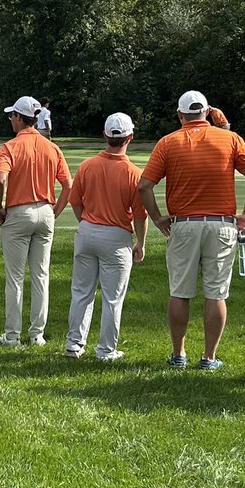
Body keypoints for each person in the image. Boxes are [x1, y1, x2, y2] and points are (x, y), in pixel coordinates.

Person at [140, 90, 245, 371]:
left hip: (183, 225)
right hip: (221, 224)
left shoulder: (168, 142)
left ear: (180, 115)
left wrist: (158, 218)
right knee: (216, 293)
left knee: (180, 291)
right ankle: (209, 357)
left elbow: (144, 186)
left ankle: (178, 354)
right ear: (207, 112)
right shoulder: (230, 139)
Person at [65, 113, 148, 361]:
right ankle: (105, 350)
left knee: (81, 292)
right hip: (117, 237)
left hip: (88, 230)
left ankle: (73, 345)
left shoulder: (87, 165)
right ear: (130, 137)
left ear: (105, 135)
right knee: (113, 298)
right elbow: (140, 216)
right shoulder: (134, 172)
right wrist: (141, 243)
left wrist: (88, 223)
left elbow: (76, 203)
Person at [0, 96, 71, 346]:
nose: (11, 121)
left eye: (12, 116)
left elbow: (1, 180)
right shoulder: (51, 147)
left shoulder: (10, 147)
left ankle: (13, 335)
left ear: (18, 117)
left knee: (15, 277)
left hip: (19, 212)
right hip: (46, 212)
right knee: (40, 275)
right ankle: (37, 334)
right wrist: (56, 210)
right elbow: (68, 184)